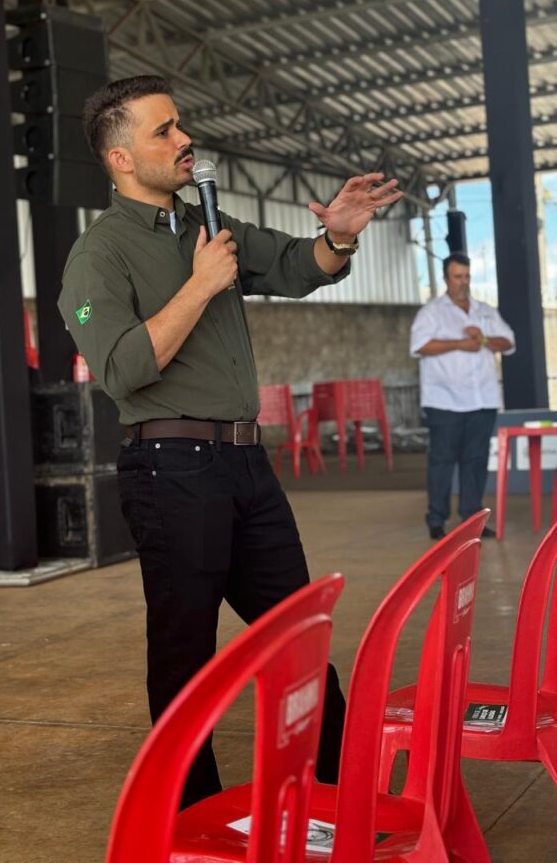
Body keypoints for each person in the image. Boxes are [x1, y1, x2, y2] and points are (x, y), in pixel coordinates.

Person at [57, 74, 402, 809]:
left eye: (181, 126)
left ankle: (346, 805)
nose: (185, 141)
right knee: (185, 657)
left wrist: (338, 233)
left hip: (245, 462)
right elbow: (120, 368)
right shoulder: (99, 254)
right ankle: (184, 823)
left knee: (300, 637)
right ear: (120, 158)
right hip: (170, 468)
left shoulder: (208, 226)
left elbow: (296, 265)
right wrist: (200, 286)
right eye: (163, 131)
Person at [410, 252, 515, 541]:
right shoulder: (431, 312)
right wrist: (460, 343)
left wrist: (481, 339)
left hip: (483, 400)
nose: (463, 282)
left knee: (476, 460)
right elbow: (420, 346)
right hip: (445, 400)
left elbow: (508, 341)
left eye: (467, 276)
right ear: (446, 279)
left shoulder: (484, 310)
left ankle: (472, 518)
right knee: (442, 460)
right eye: (457, 277)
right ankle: (437, 519)